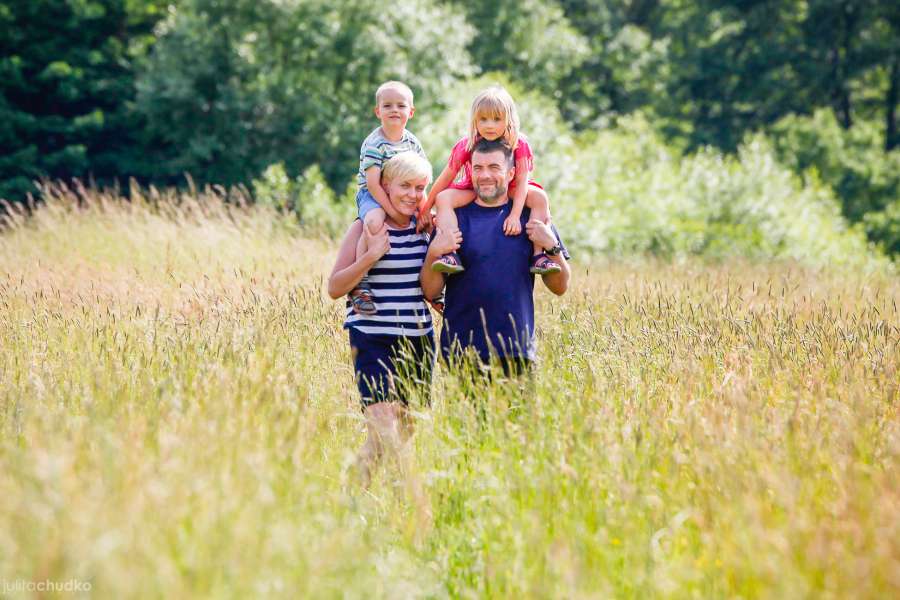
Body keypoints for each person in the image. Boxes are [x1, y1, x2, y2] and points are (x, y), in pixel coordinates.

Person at [328, 152, 435, 502]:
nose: (413, 194)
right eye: (404, 186)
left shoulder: (425, 229)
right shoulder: (364, 227)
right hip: (372, 337)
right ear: (384, 187)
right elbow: (335, 287)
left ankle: (349, 501)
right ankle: (414, 499)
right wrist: (370, 256)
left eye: (420, 187)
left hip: (418, 339)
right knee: (384, 424)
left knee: (399, 431)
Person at [420, 138, 570, 377]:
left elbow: (560, 286)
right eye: (478, 168)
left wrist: (552, 246)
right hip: (460, 352)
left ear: (511, 173)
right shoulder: (452, 218)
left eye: (494, 168)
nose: (485, 175)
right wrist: (433, 254)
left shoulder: (530, 217)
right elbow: (430, 291)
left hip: (516, 352)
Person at [418, 85, 561, 276]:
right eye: (483, 119)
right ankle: (449, 252)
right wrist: (426, 209)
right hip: (473, 187)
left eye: (496, 119)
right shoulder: (468, 143)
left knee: (539, 197)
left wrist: (515, 215)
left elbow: (522, 181)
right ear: (474, 120)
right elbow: (445, 178)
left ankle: (538, 255)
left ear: (509, 119)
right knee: (444, 198)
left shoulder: (519, 142)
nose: (489, 125)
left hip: (509, 188)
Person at [349, 81, 427, 316]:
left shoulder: (412, 142)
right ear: (378, 111)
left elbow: (422, 175)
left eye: (401, 105)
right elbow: (373, 184)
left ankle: (435, 284)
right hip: (373, 195)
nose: (395, 110)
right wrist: (393, 213)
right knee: (373, 222)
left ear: (410, 112)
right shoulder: (374, 143)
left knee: (433, 221)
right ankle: (360, 285)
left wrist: (424, 210)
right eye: (388, 105)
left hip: (405, 190)